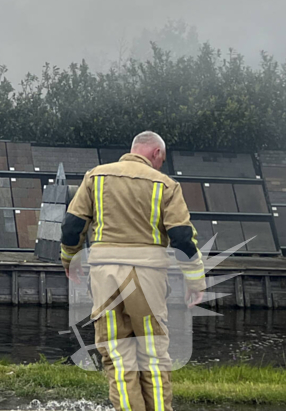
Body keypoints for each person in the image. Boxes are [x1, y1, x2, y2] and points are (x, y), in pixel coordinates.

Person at [61, 131, 206, 411]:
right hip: (149, 279)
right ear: (156, 154)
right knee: (153, 356)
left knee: (117, 356)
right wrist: (195, 280)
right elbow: (182, 238)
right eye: (161, 159)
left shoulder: (96, 176)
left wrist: (70, 260)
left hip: (105, 279)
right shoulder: (166, 185)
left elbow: (71, 226)